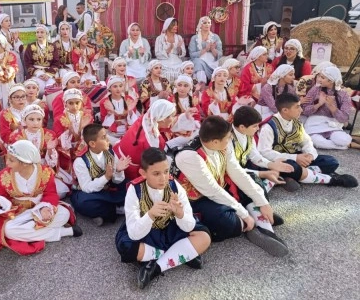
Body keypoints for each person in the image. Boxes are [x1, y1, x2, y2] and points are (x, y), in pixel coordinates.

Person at [173, 116, 289, 256]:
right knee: (225, 221)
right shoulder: (190, 157)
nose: (230, 140)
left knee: (254, 183)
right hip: (197, 198)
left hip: (219, 185)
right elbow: (212, 191)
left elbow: (237, 171)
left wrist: (262, 202)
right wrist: (244, 214)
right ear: (215, 142)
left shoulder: (221, 142)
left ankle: (265, 228)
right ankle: (251, 223)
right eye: (228, 138)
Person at [115, 147, 211, 289]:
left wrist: (180, 214)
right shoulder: (134, 190)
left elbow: (189, 226)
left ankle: (155, 267)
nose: (163, 178)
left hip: (171, 227)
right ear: (143, 173)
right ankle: (181, 254)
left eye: (166, 172)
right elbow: (134, 233)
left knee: (204, 237)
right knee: (127, 247)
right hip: (147, 232)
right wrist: (150, 215)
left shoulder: (175, 187)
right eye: (156, 173)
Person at [0, 140, 82, 258]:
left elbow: (51, 194)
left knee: (65, 214)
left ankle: (32, 231)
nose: (7, 163)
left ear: (25, 163)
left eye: (11, 160)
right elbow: (3, 197)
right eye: (7, 158)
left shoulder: (45, 172)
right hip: (18, 212)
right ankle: (63, 232)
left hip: (40, 207)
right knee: (8, 230)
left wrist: (45, 208)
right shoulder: (3, 176)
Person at [258, 93, 358, 189]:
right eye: (297, 107)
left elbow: (306, 141)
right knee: (293, 167)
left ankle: (295, 175)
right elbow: (264, 152)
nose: (301, 110)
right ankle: (330, 180)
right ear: (285, 110)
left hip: (297, 157)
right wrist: (295, 158)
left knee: (331, 162)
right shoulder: (269, 127)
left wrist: (310, 155)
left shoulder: (296, 121)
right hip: (280, 161)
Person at [71, 124, 131, 226]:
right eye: (104, 137)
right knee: (82, 202)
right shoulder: (80, 161)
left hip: (110, 189)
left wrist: (119, 171)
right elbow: (86, 187)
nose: (108, 139)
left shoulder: (110, 152)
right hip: (91, 193)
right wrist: (106, 177)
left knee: (131, 187)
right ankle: (118, 209)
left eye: (106, 135)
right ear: (92, 143)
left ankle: (104, 213)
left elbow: (118, 181)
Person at [9, 104, 71, 199]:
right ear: (24, 121)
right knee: (22, 191)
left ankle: (40, 196)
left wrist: (50, 149)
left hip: (44, 166)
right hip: (25, 168)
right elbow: (14, 159)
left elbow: (53, 162)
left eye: (39, 119)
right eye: (31, 119)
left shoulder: (49, 134)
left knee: (61, 192)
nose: (35, 123)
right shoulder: (17, 137)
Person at [231, 106, 297, 194]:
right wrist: (264, 173)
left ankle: (272, 178)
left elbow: (254, 156)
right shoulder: (227, 139)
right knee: (247, 190)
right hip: (231, 173)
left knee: (287, 164)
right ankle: (271, 179)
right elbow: (233, 170)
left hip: (244, 165)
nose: (258, 128)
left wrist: (271, 165)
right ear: (242, 127)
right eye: (255, 126)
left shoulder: (247, 133)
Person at [114, 99, 176, 181]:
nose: (174, 119)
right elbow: (156, 163)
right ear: (163, 118)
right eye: (172, 116)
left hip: (120, 154)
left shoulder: (147, 118)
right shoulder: (152, 141)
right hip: (131, 171)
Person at [301, 66, 359, 150]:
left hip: (333, 124)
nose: (319, 79)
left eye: (322, 77)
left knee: (343, 140)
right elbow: (305, 111)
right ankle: (348, 145)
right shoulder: (315, 90)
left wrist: (332, 107)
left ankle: (346, 143)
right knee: (317, 142)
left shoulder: (343, 95)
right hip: (315, 123)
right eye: (320, 76)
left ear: (331, 81)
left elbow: (344, 118)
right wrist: (319, 104)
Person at [53, 89, 94, 172]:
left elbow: (91, 134)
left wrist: (80, 132)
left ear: (81, 103)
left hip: (83, 147)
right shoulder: (59, 119)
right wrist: (68, 133)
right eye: (71, 103)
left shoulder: (87, 117)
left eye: (77, 103)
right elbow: (58, 137)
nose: (74, 106)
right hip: (67, 149)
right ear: (65, 104)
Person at [100, 76, 140, 145]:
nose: (118, 89)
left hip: (127, 131)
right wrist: (112, 115)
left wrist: (129, 112)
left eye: (120, 86)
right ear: (109, 88)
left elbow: (134, 119)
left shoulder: (129, 99)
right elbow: (103, 120)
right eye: (115, 86)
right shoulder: (104, 101)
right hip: (112, 133)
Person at [23, 24, 60, 94]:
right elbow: (27, 63)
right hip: (35, 74)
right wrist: (38, 73)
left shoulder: (52, 46)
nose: (39, 34)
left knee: (52, 88)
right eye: (37, 32)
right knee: (38, 88)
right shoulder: (30, 46)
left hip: (49, 74)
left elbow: (56, 63)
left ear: (46, 34)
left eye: (42, 32)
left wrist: (48, 74)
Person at [189, 16, 223, 84]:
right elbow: (192, 54)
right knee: (198, 62)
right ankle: (202, 84)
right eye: (205, 23)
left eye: (209, 23)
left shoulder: (215, 37)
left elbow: (220, 53)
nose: (207, 24)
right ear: (200, 25)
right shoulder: (194, 38)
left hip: (212, 61)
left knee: (198, 63)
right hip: (198, 59)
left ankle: (200, 84)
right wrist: (205, 49)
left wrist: (213, 49)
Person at [170, 74, 201, 143]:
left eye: (186, 86)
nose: (182, 88)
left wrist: (190, 128)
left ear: (190, 87)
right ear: (176, 86)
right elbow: (169, 119)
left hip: (191, 130)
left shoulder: (194, 100)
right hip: (175, 130)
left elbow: (197, 117)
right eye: (179, 85)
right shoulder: (170, 100)